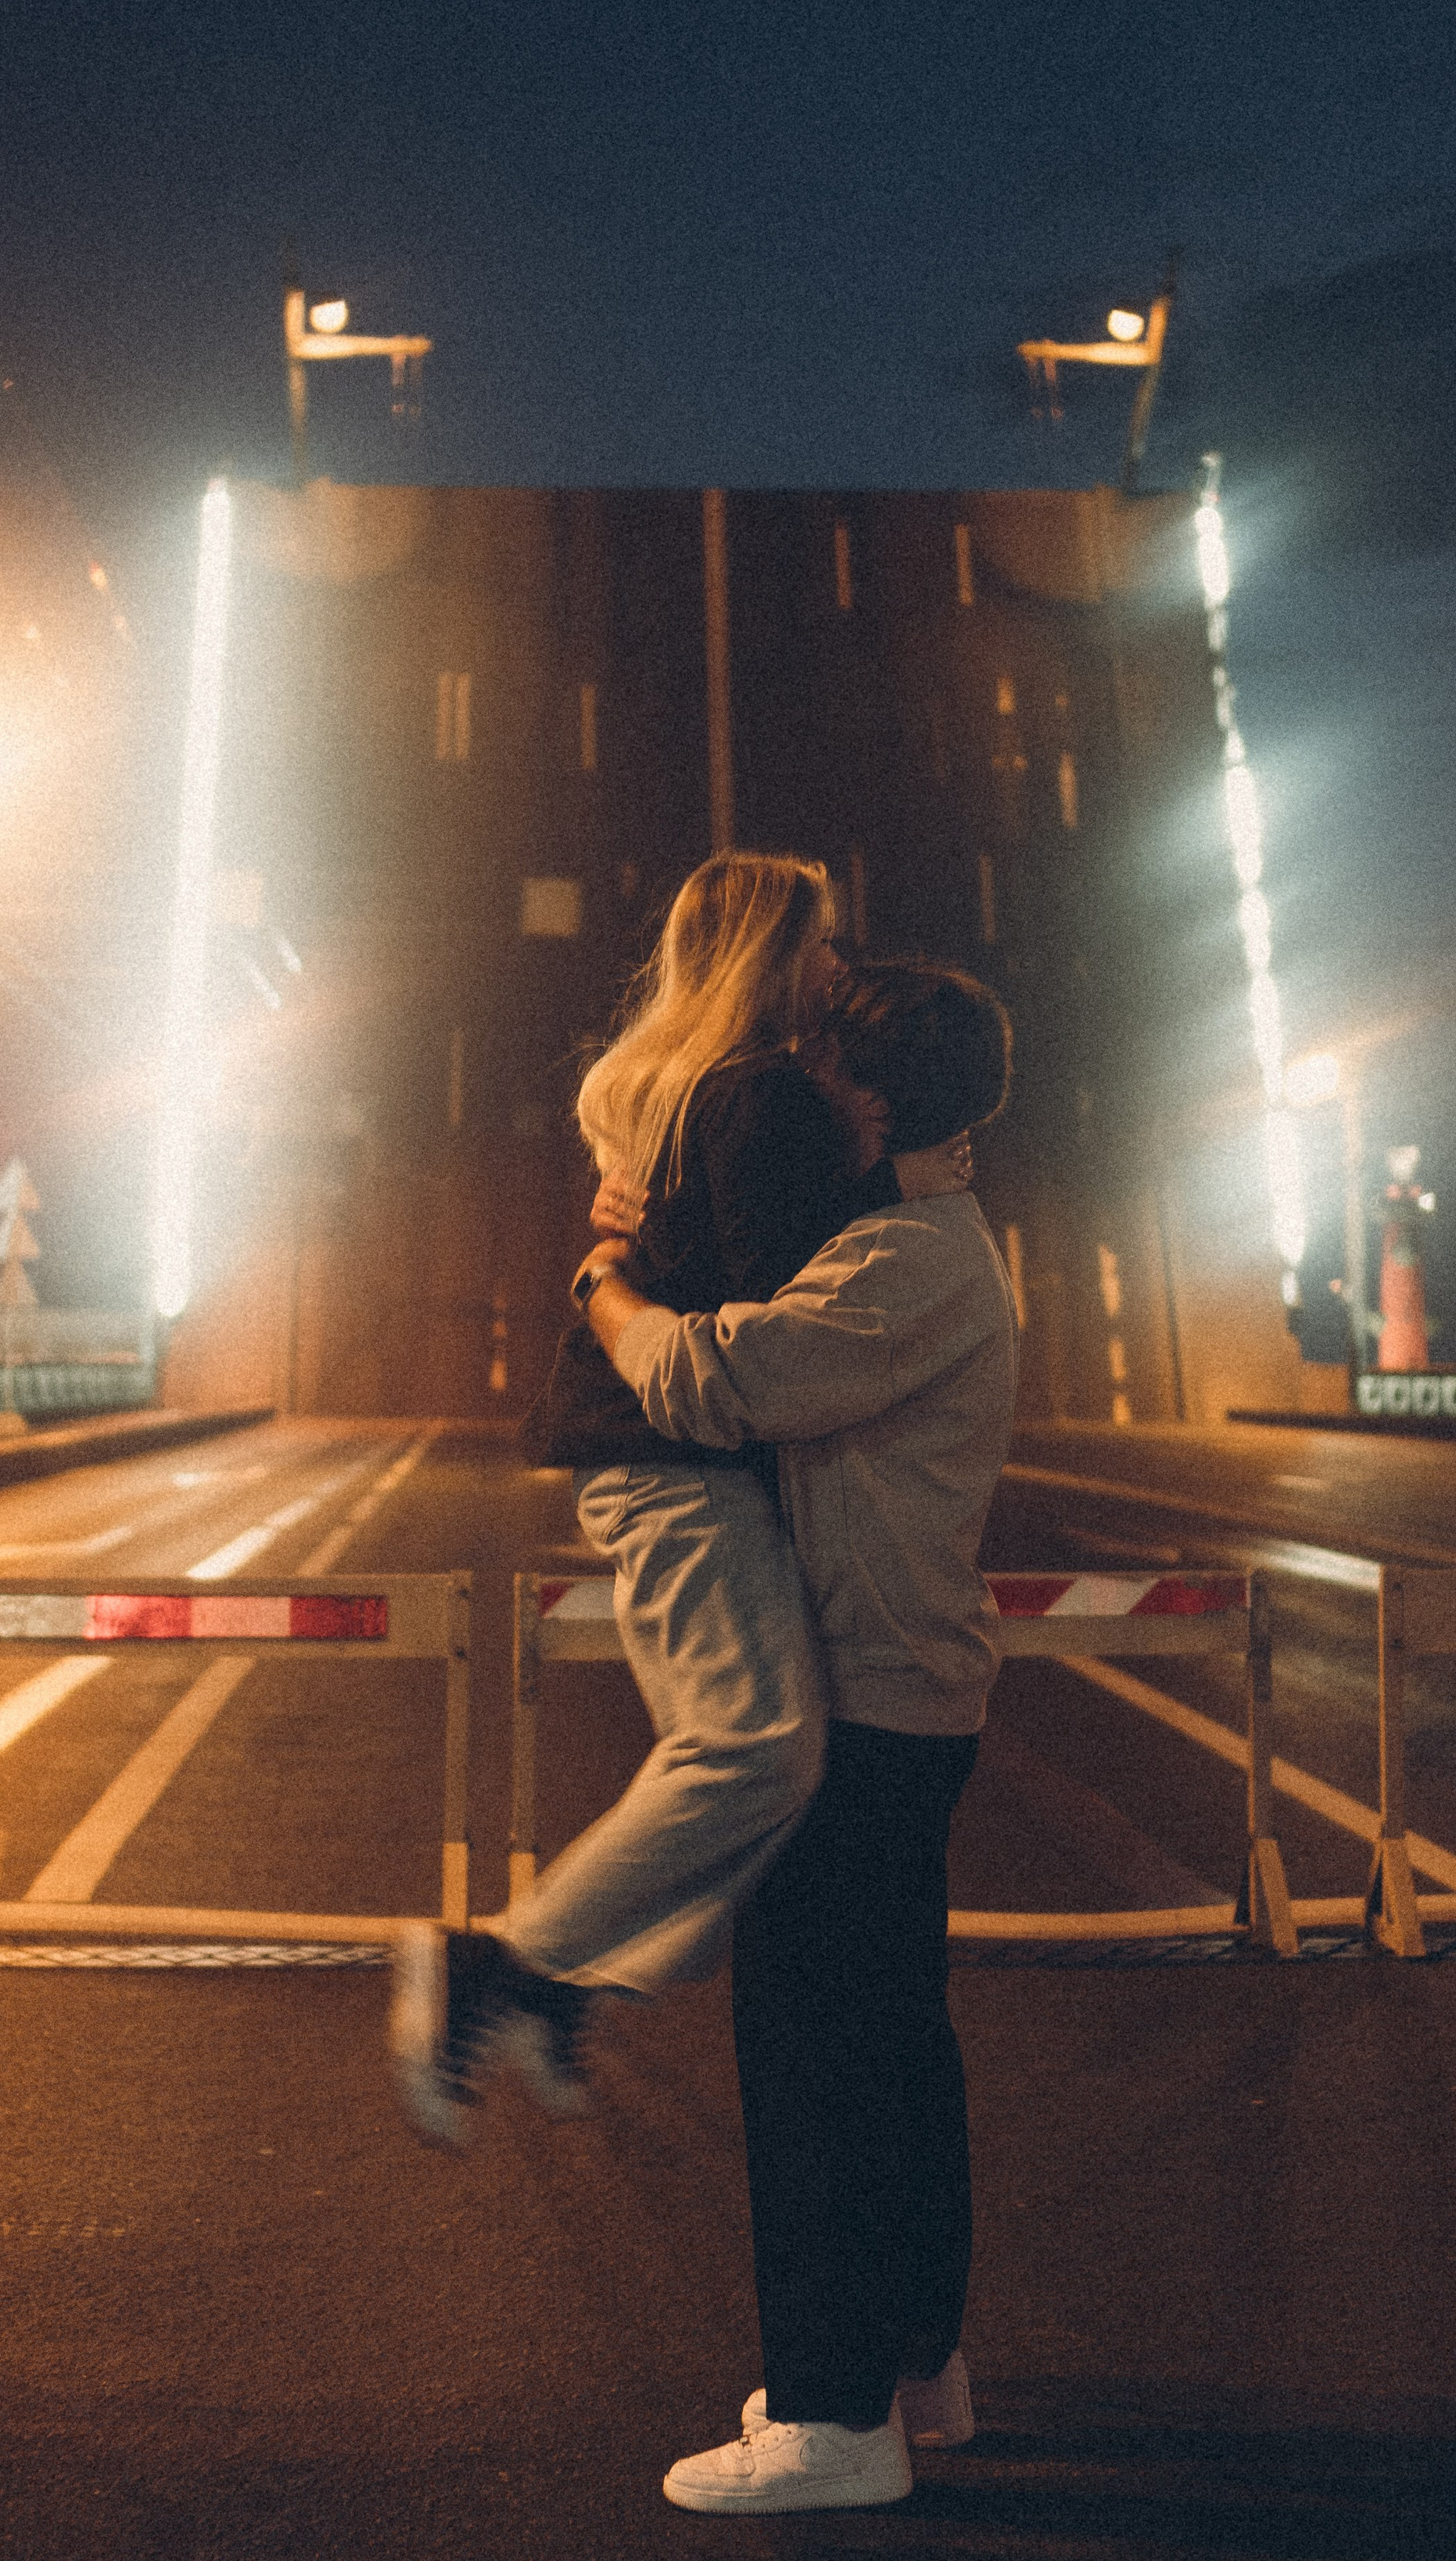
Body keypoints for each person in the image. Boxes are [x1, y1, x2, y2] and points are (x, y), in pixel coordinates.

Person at [389, 856, 967, 2149]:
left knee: (759, 1759)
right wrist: (879, 1167)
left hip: (651, 1457)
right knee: (758, 1748)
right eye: (822, 946)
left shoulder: (692, 1090)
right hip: (677, 1458)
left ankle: (562, 1985)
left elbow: (699, 1256)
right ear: (774, 956)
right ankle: (501, 1967)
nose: (839, 970)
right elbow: (788, 1314)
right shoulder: (765, 1097)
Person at [574, 957, 1018, 2517]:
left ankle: (832, 2426)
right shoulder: (916, 1238)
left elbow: (719, 1382)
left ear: (873, 1100)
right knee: (893, 2048)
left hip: (869, 1696)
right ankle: (912, 2368)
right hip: (907, 1693)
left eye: (817, 1067)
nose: (789, 1085)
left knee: (814, 2065)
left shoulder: (904, 1258)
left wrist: (606, 1287)